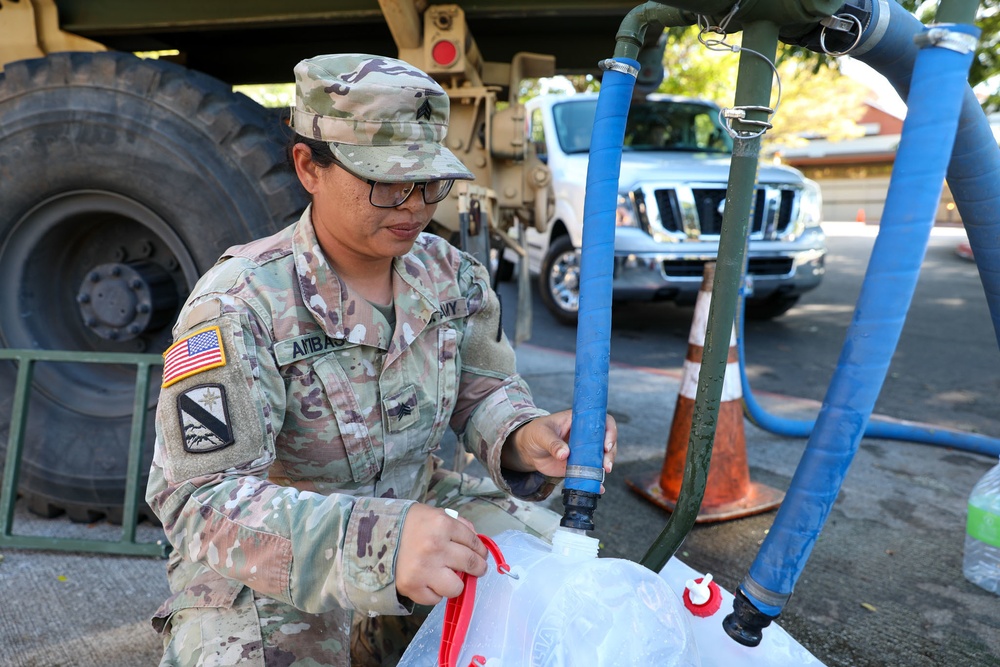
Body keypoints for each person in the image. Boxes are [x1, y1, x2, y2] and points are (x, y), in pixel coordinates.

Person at [145, 53, 618, 666]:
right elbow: (200, 500)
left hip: (419, 510)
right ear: (308, 167)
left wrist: (527, 436)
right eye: (387, 182)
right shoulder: (237, 305)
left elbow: (484, 391)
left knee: (573, 604)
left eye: (429, 182)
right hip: (277, 552)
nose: (415, 206)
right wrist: (379, 543)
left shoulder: (453, 277)